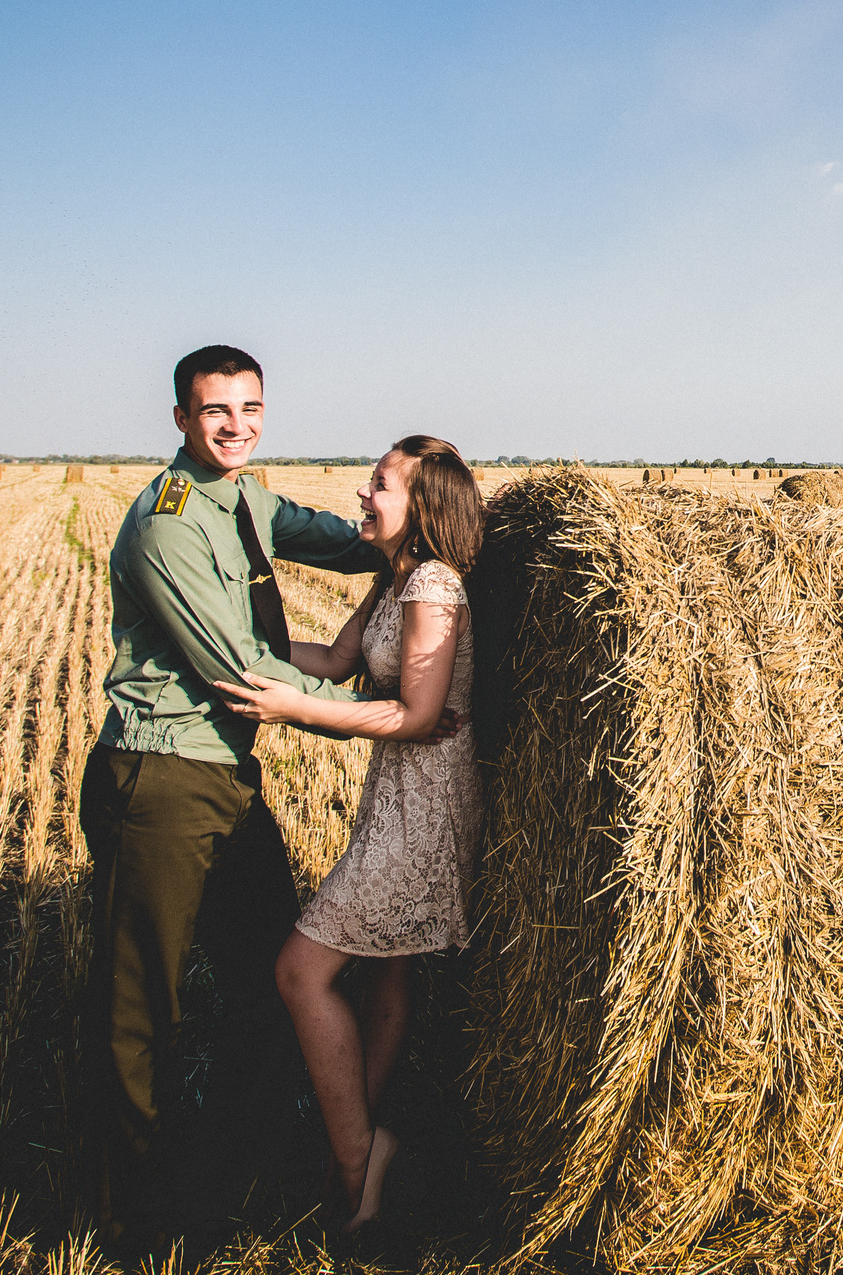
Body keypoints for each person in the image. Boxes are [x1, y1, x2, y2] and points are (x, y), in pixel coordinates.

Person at [82, 345, 390, 1254]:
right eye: (216, 410)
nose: (236, 425)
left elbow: (331, 539)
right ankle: (139, 1216)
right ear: (181, 417)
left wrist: (418, 544)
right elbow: (239, 672)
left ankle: (222, 1169)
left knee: (273, 978)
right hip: (162, 779)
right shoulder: (169, 524)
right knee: (142, 1009)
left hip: (222, 780)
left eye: (250, 407)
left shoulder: (246, 498)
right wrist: (390, 715)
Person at [215, 436, 484, 1232]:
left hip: (428, 800)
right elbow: (334, 659)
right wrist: (234, 653)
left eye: (379, 484)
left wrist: (291, 709)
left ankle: (359, 1155)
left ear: (422, 505)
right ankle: (356, 1143)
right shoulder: (396, 577)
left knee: (302, 969)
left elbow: (419, 714)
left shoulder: (433, 583)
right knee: (387, 969)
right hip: (396, 790)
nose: (362, 494)